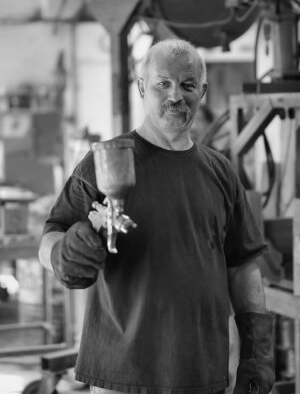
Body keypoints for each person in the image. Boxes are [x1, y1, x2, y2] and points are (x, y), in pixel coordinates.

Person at [39, 39, 275, 394]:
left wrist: (255, 351)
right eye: (163, 83)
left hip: (202, 369)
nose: (175, 95)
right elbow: (50, 236)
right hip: (122, 373)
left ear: (203, 92)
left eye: (188, 84)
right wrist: (63, 253)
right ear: (141, 87)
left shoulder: (221, 172)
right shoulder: (106, 161)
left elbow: (243, 266)